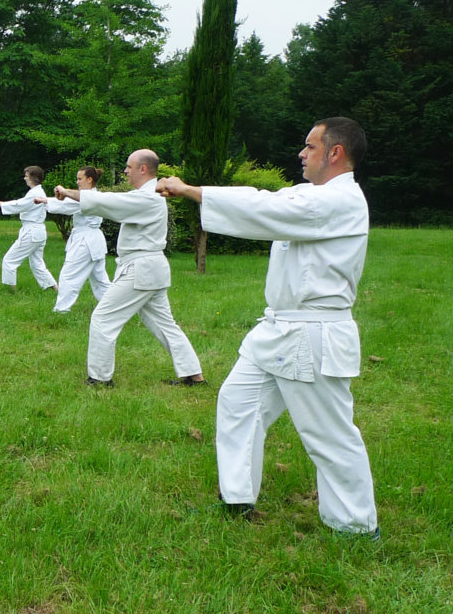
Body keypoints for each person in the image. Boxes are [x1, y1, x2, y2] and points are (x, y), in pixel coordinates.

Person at [157, 117, 377, 535]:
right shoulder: (310, 195)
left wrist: (191, 191)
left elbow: (265, 210)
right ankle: (238, 499)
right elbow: (259, 198)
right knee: (237, 403)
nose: (301, 153)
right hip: (277, 330)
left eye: (310, 147)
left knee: (328, 434)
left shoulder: (341, 200)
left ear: (335, 153)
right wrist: (198, 193)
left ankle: (356, 526)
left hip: (313, 334)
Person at [56, 149, 203, 387]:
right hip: (149, 269)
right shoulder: (146, 196)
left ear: (143, 169)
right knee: (165, 324)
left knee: (103, 319)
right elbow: (111, 202)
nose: (125, 171)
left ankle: (100, 378)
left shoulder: (147, 198)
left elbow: (107, 202)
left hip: (141, 270)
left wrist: (67, 192)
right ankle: (194, 375)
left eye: (129, 167)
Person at [39, 166, 111, 313]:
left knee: (69, 275)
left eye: (80, 179)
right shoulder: (87, 196)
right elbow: (68, 202)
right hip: (92, 241)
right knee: (100, 280)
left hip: (86, 242)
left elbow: (66, 206)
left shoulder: (89, 198)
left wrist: (44, 201)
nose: (77, 182)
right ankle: (114, 307)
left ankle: (61, 309)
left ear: (89, 179)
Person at [0, 166, 57, 292]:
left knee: (9, 260)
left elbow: (18, 205)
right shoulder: (36, 192)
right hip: (38, 231)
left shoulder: (35, 194)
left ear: (34, 178)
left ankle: (11, 291)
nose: (25, 178)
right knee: (37, 264)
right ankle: (56, 289)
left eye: (26, 176)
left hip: (32, 231)